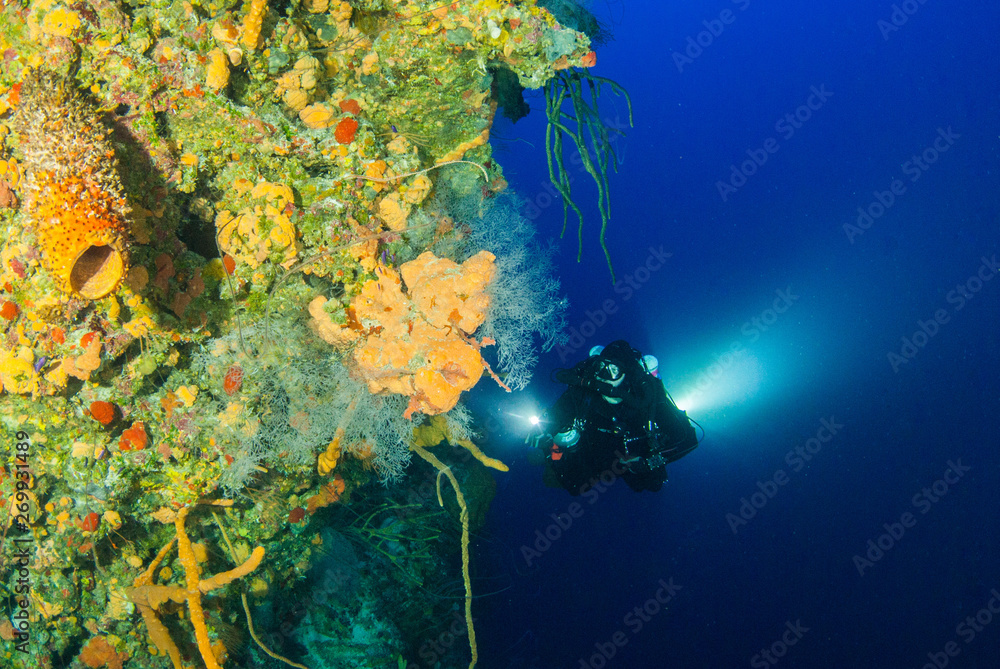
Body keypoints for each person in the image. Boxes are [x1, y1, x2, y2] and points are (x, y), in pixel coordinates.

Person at [529, 340, 699, 495]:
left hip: (634, 457)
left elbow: (688, 439)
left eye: (614, 370)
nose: (605, 376)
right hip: (595, 450)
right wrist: (543, 434)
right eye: (601, 368)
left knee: (651, 483)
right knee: (574, 485)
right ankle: (551, 456)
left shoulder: (649, 398)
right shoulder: (583, 392)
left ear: (628, 374)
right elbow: (554, 416)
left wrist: (650, 462)